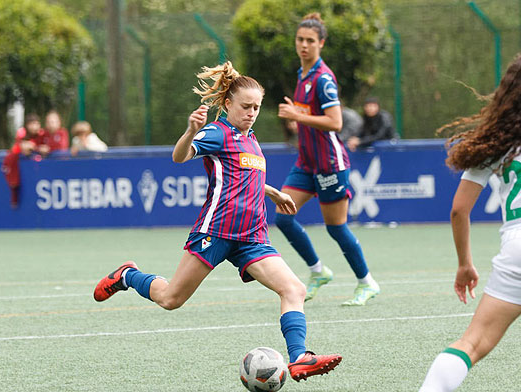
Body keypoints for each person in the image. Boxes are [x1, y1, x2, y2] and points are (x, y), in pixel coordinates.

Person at [93, 61, 342, 382]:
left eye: (256, 107)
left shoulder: (251, 139)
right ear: (227, 104)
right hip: (216, 231)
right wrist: (190, 131)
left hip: (252, 238)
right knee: (170, 299)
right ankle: (128, 275)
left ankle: (299, 357)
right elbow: (179, 157)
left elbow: (242, 175)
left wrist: (272, 192)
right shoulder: (216, 132)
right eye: (245, 106)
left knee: (294, 288)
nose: (251, 113)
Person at [419, 48, 521, 391]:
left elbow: (459, 209)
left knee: (471, 344)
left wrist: (465, 265)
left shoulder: (498, 137)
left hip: (519, 249)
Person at [276, 12, 380, 305]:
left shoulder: (323, 79)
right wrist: (300, 117)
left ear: (321, 43)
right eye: (300, 40)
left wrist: (298, 115)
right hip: (306, 162)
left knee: (336, 228)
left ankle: (366, 282)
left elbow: (335, 122)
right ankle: (318, 271)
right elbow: (311, 117)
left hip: (329, 164)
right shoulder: (302, 74)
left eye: (310, 41)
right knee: (283, 218)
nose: (304, 45)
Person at [2, 113, 47, 208]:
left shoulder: (42, 134)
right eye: (31, 124)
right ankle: (14, 192)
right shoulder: (22, 132)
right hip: (18, 165)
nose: (34, 126)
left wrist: (35, 147)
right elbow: (23, 149)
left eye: (36, 123)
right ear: (27, 125)